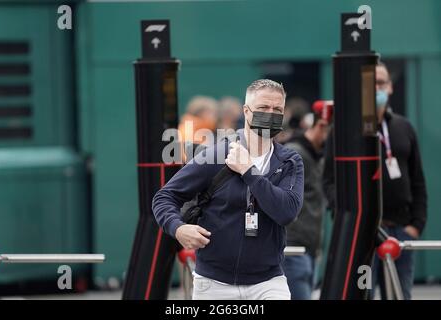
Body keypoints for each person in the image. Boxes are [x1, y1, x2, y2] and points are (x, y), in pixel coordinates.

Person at [152, 79, 304, 300]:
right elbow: (165, 197)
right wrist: (178, 229)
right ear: (246, 111)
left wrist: (249, 171)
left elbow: (287, 212)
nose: (270, 114)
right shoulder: (216, 154)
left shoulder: (289, 161)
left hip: (268, 282)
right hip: (213, 284)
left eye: (277, 109)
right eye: (263, 108)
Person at [323, 62, 427, 300]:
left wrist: (415, 226)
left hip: (400, 230)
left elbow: (418, 180)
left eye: (381, 83)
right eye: (371, 84)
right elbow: (329, 180)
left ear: (390, 87)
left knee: (399, 294)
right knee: (362, 293)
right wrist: (346, 215)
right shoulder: (344, 129)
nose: (377, 88)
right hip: (361, 231)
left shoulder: (404, 128)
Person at [283, 100, 333, 300]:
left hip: (309, 249)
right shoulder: (296, 154)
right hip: (294, 248)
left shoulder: (317, 155)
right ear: (321, 126)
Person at [178, 96, 218, 162]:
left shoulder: (206, 130)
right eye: (212, 113)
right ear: (201, 113)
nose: (215, 118)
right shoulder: (187, 129)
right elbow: (187, 158)